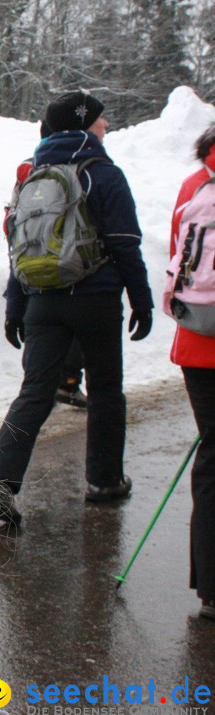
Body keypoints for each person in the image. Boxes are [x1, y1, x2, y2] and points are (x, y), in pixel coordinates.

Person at [0, 90, 154, 527]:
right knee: (106, 391)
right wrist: (141, 298)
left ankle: (0, 478)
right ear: (83, 126)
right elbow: (125, 244)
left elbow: (18, 249)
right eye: (100, 120)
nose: (107, 126)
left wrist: (14, 305)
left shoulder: (31, 176)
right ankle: (104, 481)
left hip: (42, 301)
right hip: (95, 299)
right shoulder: (101, 173)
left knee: (35, 391)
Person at [5, 121, 88, 410]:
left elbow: (13, 220)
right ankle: (58, 385)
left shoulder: (28, 170)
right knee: (68, 326)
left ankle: (45, 386)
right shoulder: (79, 169)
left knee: (38, 326)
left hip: (28, 260)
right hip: (65, 263)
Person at [169, 123, 215, 620]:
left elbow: (176, 257)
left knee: (212, 458)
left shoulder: (195, 183)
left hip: (200, 341)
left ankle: (211, 585)